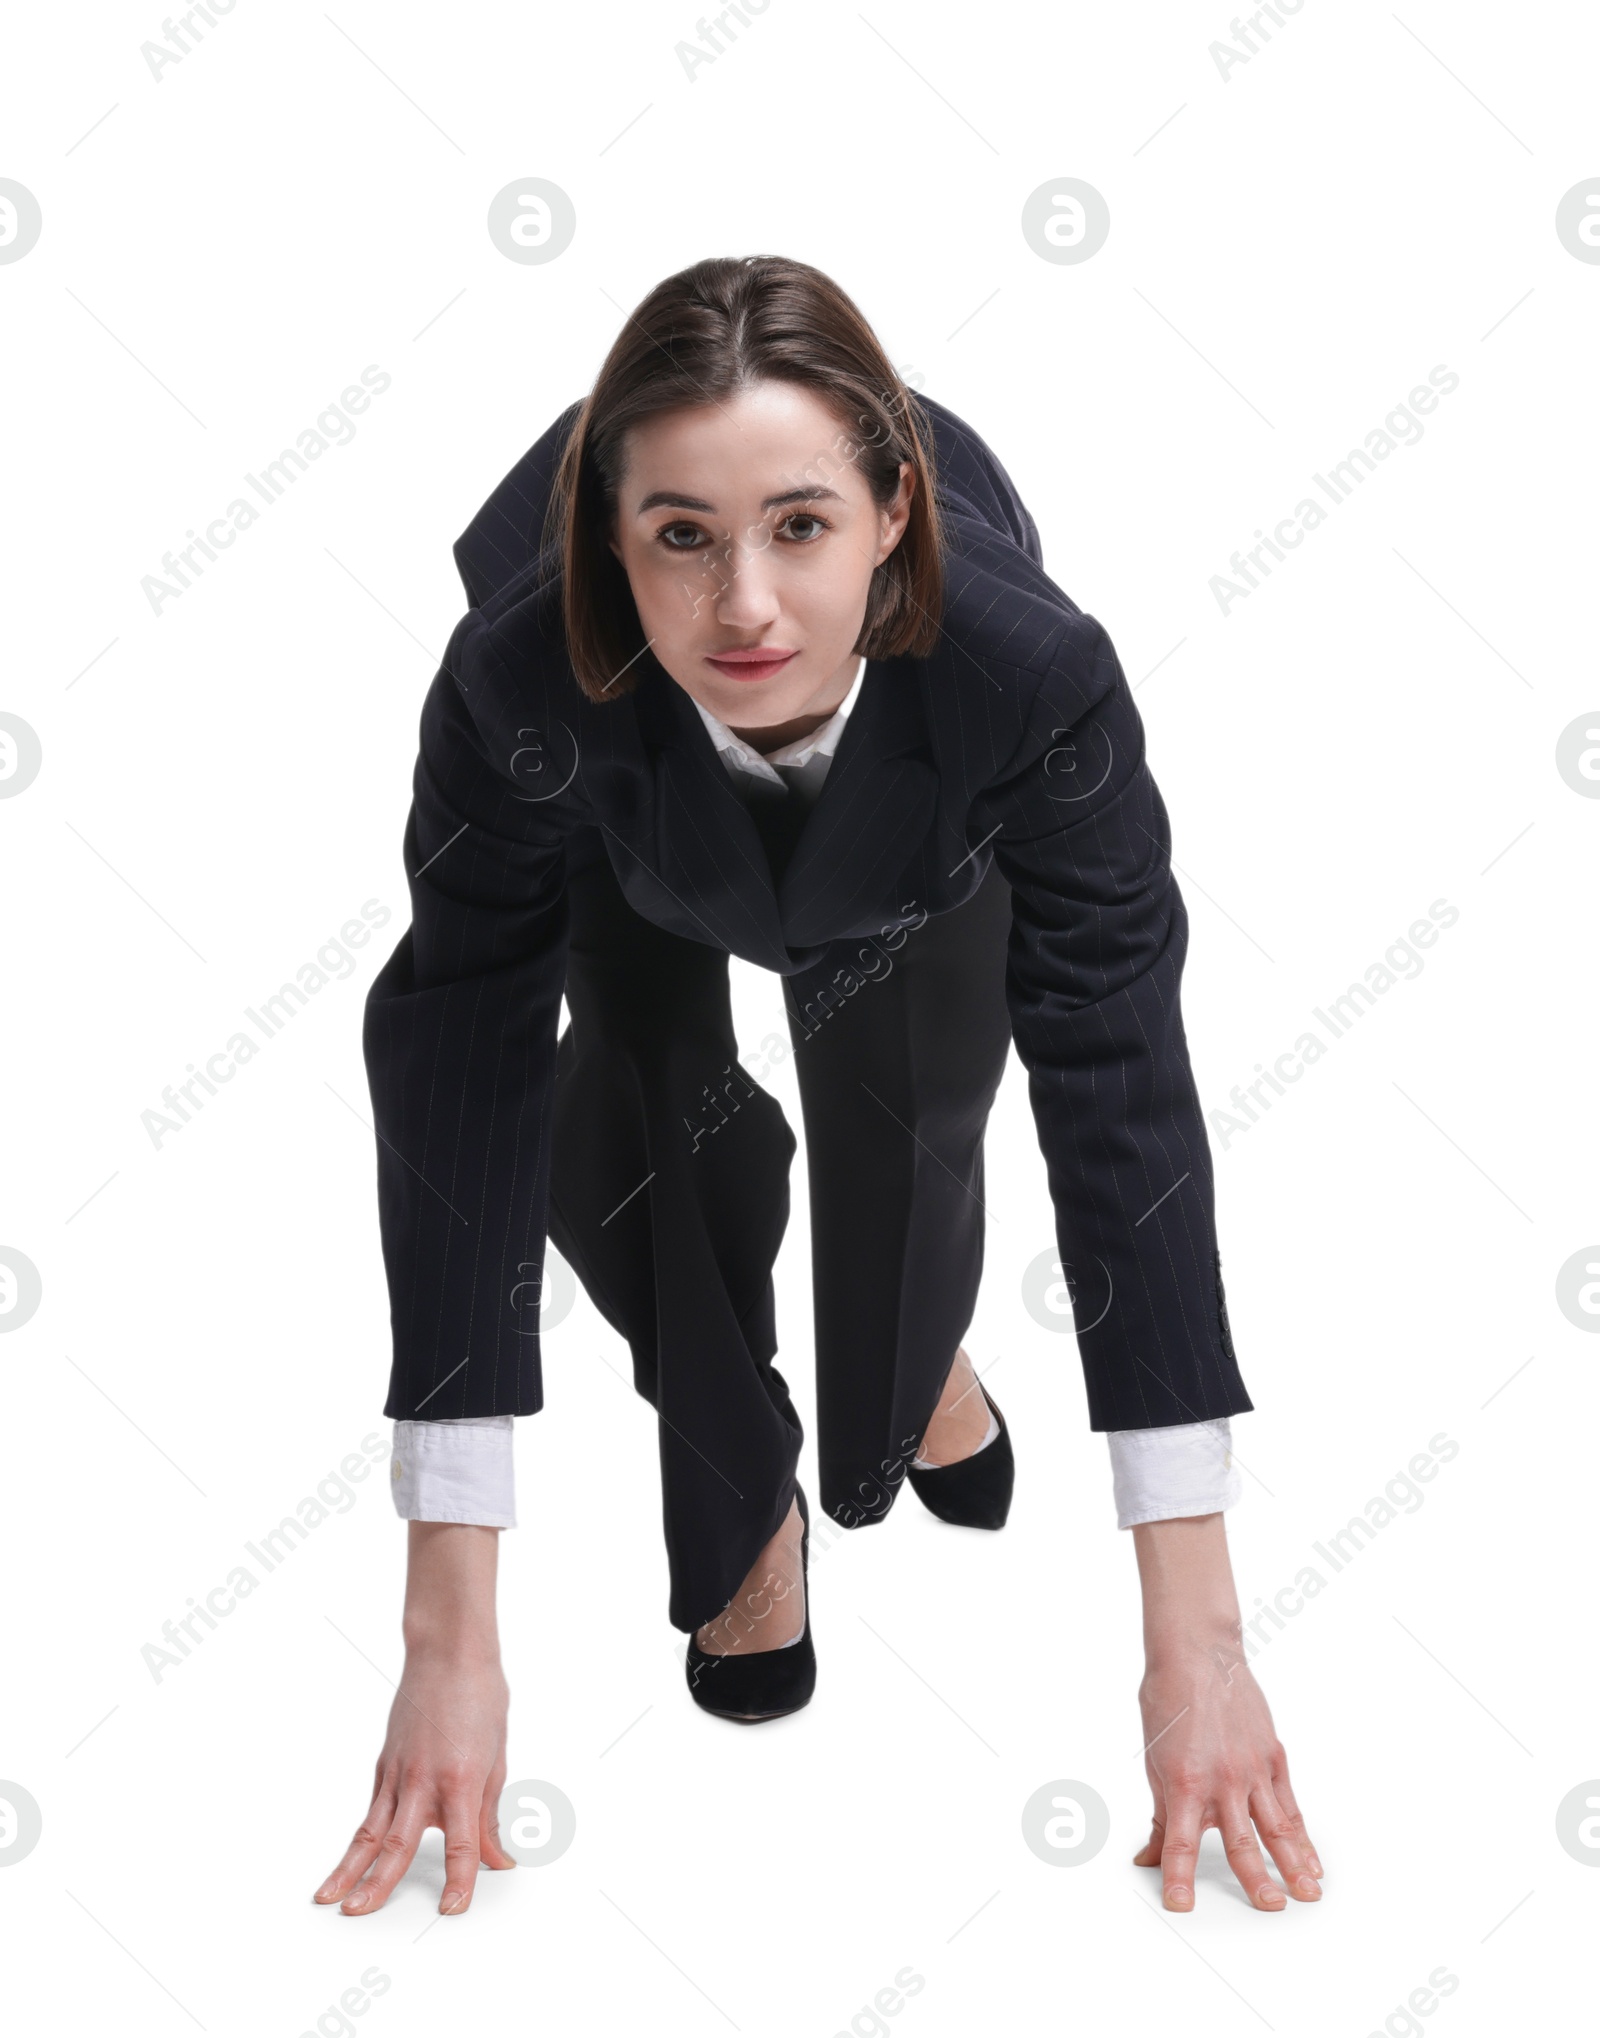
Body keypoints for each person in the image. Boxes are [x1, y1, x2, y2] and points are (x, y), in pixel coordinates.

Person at [313, 254, 1322, 1923]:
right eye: (680, 541)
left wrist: (1197, 1646)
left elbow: (1117, 1077)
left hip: (921, 848)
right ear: (608, 546)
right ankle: (741, 1511)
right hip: (628, 832)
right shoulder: (518, 686)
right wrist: (448, 1642)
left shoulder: (1029, 680)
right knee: (626, 1123)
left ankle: (915, 1369)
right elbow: (455, 1071)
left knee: (912, 1120)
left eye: (799, 527)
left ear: (890, 516)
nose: (748, 612)